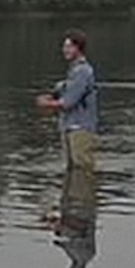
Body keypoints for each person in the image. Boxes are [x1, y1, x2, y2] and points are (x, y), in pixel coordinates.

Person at [34, 29, 100, 174]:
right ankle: (73, 196)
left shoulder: (82, 71)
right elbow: (64, 93)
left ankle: (82, 196)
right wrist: (52, 97)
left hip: (80, 128)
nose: (65, 50)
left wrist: (46, 104)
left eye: (69, 46)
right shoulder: (74, 71)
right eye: (64, 46)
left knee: (82, 170)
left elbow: (69, 102)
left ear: (79, 48)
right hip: (70, 127)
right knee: (73, 169)